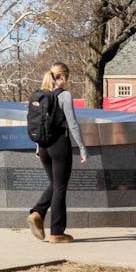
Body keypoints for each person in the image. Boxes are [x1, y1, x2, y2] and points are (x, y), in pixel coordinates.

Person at [27, 62, 87, 244]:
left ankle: (38, 212)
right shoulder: (64, 95)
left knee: (54, 183)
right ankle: (57, 232)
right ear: (62, 77)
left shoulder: (42, 95)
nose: (67, 83)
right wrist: (82, 147)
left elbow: (40, 124)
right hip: (59, 145)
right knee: (60, 186)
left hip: (44, 146)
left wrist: (38, 145)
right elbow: (72, 123)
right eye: (67, 78)